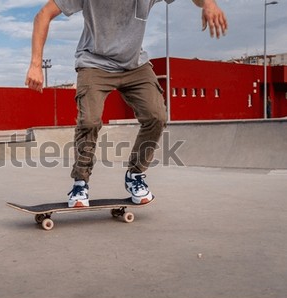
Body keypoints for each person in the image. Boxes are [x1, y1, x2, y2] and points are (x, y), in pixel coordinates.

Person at [25, 0, 228, 207]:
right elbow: (43, 14)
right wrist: (35, 64)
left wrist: (208, 4)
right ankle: (80, 182)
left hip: (134, 66)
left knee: (156, 116)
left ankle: (135, 174)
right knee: (89, 122)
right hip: (94, 63)